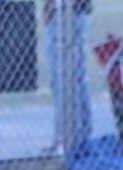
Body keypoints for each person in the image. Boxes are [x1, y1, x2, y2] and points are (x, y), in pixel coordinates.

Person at [44, 0, 93, 153]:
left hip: (65, 14)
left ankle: (68, 138)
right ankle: (80, 135)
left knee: (63, 79)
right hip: (72, 12)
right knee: (77, 77)